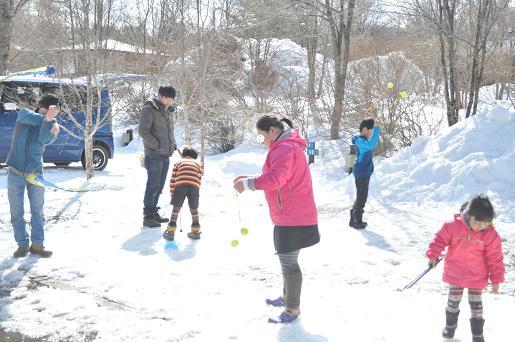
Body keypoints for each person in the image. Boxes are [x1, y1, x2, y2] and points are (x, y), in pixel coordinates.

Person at [233, 115, 320, 324]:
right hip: (291, 213)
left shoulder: (284, 148)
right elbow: (276, 175)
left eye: (262, 135)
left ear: (273, 130)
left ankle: (292, 309)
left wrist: (248, 184)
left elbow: (276, 179)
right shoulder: (286, 146)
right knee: (287, 259)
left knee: (289, 262)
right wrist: (250, 179)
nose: (263, 140)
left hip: (293, 214)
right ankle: (287, 297)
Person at [426, 195, 504, 342]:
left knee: (476, 307)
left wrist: (496, 279)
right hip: (456, 272)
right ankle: (450, 326)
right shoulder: (453, 226)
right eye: (477, 222)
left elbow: (495, 258)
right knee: (453, 302)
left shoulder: (490, 235)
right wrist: (433, 255)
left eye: (485, 224)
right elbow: (439, 239)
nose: (480, 227)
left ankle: (477, 334)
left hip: (476, 275)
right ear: (469, 215)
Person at [7, 94, 60, 258]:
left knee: (37, 211)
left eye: (53, 112)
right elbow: (23, 115)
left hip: (35, 173)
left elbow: (44, 138)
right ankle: (22, 244)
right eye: (47, 110)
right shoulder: (26, 114)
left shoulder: (52, 125)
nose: (48, 114)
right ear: (41, 107)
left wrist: (50, 122)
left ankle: (37, 245)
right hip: (15, 170)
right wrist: (47, 120)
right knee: (16, 212)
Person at [139, 85, 177, 227]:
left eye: (171, 99)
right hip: (153, 155)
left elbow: (169, 132)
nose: (169, 102)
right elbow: (143, 131)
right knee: (153, 186)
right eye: (167, 98)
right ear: (160, 96)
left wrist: (172, 144)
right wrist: (157, 145)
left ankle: (153, 211)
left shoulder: (167, 111)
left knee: (159, 186)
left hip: (165, 154)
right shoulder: (149, 109)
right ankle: (148, 216)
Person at [163, 147, 203, 241]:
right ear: (194, 156)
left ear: (184, 155)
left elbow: (173, 179)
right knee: (194, 209)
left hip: (180, 185)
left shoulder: (178, 163)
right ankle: (196, 232)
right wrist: (196, 190)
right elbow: (199, 177)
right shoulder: (198, 163)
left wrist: (173, 192)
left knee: (176, 209)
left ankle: (170, 232)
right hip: (194, 186)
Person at [349, 118, 381, 229]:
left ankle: (353, 219)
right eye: (371, 131)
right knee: (362, 197)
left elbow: (371, 144)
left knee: (360, 196)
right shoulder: (360, 141)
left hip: (363, 173)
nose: (371, 134)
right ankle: (357, 220)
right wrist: (377, 129)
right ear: (365, 129)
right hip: (361, 173)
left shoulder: (362, 140)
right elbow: (372, 145)